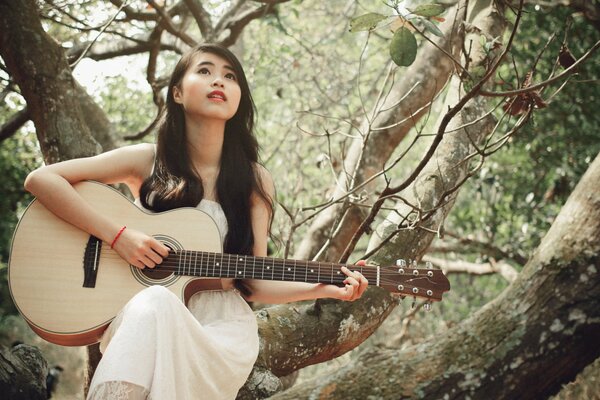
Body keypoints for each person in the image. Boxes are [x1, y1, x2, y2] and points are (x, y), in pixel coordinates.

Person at [24, 43, 368, 399]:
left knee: (155, 301)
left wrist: (325, 288)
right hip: (141, 318)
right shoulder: (147, 161)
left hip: (221, 332)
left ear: (239, 99)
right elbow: (41, 180)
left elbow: (253, 280)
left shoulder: (254, 180)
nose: (218, 80)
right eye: (204, 70)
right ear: (177, 92)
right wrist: (119, 236)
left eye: (230, 75)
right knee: (155, 300)